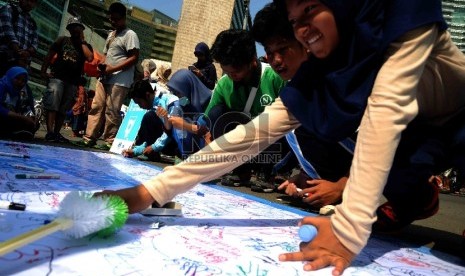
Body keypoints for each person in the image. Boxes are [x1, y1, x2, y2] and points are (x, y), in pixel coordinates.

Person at [96, 0, 465, 274]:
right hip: (418, 138)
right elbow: (247, 138)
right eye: (295, 21)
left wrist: (349, 229)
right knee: (394, 171)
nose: (304, 28)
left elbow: (386, 109)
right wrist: (151, 192)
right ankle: (414, 197)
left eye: (311, 10)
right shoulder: (319, 75)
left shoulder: (397, 14)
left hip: (458, 118)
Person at [253, 2, 352, 209]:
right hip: (360, 171)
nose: (276, 60)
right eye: (270, 53)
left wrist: (342, 187)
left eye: (283, 49)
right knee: (292, 127)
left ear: (303, 43)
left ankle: (417, 195)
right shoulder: (295, 91)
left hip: (403, 156)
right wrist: (305, 176)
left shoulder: (345, 75)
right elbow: (248, 137)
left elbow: (384, 139)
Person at [206, 29, 287, 191]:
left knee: (279, 117)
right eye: (227, 72)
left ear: (252, 61)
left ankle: (268, 172)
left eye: (236, 71)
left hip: (271, 146)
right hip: (241, 147)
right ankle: (240, 171)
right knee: (217, 113)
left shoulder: (274, 78)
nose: (232, 76)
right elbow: (207, 122)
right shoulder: (224, 84)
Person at [79, 2, 140, 149]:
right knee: (96, 106)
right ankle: (89, 137)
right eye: (111, 19)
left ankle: (110, 140)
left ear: (124, 18)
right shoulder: (111, 34)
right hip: (105, 77)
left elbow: (134, 58)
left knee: (112, 110)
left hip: (120, 80)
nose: (113, 22)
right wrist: (102, 67)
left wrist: (112, 69)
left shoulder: (130, 35)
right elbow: (106, 55)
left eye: (117, 19)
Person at [40, 16, 93, 143]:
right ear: (69, 29)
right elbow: (49, 55)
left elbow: (90, 58)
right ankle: (50, 132)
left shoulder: (85, 46)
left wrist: (82, 41)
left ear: (81, 30)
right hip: (57, 77)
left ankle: (57, 133)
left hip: (73, 81)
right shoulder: (62, 40)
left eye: (78, 27)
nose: (75, 30)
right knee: (53, 104)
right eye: (73, 27)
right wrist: (43, 70)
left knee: (63, 109)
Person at [122, 79, 180, 161]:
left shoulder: (171, 103)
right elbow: (151, 139)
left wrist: (154, 147)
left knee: (149, 116)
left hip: (179, 143)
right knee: (149, 117)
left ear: (147, 95)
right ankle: (152, 153)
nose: (140, 106)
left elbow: (172, 130)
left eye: (139, 102)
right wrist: (136, 151)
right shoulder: (154, 106)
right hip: (167, 142)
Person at [165, 69, 212, 158]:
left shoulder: (210, 102)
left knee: (201, 120)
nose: (178, 97)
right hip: (189, 154)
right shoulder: (180, 105)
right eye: (175, 93)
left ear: (188, 88)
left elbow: (206, 132)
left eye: (178, 93)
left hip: (208, 154)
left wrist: (184, 125)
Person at [0, 0, 38, 75]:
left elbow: (35, 44)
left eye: (33, 2)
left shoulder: (32, 22)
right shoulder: (8, 9)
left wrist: (27, 52)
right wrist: (21, 54)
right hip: (4, 61)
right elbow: (8, 33)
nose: (29, 3)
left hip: (21, 65)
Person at [0, 66, 37, 139]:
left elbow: (22, 110)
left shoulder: (18, 93)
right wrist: (21, 117)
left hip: (8, 120)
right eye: (17, 79)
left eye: (23, 81)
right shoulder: (1, 85)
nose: (20, 82)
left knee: (32, 123)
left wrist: (31, 118)